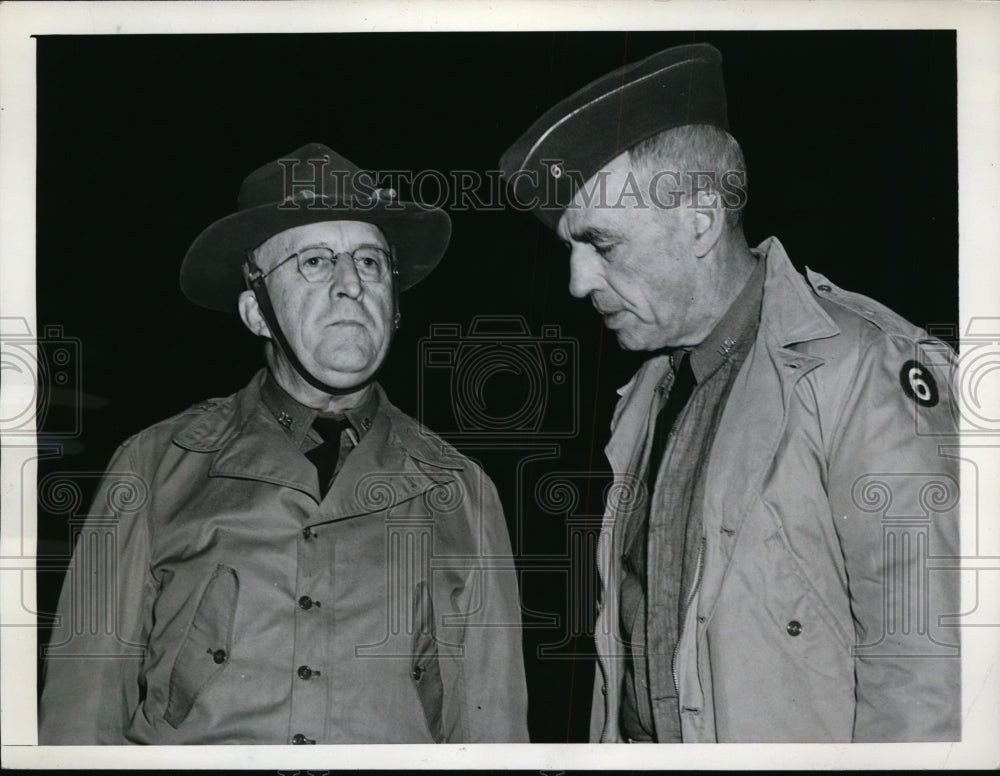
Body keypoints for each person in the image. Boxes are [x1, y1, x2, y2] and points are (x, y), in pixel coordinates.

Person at [500, 44, 960, 743]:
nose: (577, 282)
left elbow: (929, 679)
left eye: (602, 245)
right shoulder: (647, 395)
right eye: (570, 249)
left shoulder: (856, 372)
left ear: (701, 220)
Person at [39, 143, 528, 744]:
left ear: (395, 307)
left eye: (371, 262)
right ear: (257, 312)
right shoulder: (154, 465)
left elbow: (495, 731)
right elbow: (79, 718)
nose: (351, 284)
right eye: (316, 261)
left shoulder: (461, 492)